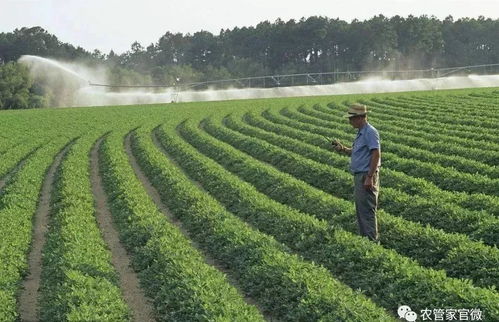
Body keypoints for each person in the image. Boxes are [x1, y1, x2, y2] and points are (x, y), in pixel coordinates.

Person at [332, 103, 381, 242]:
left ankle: (371, 242)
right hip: (361, 175)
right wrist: (343, 149)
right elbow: (358, 152)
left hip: (366, 175)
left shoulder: (370, 132)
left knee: (367, 210)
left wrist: (370, 177)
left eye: (351, 118)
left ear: (360, 118)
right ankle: (366, 239)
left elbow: (376, 154)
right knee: (361, 209)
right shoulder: (361, 133)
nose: (349, 121)